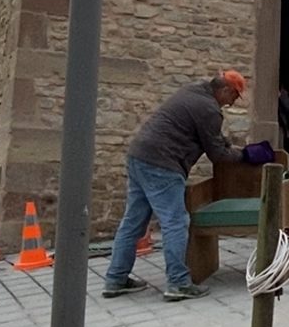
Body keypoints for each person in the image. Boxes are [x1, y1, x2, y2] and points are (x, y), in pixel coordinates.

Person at [104, 70, 247, 302]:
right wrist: (245, 156)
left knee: (133, 221)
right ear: (225, 90)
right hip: (163, 164)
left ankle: (115, 279)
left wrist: (227, 145)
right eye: (234, 97)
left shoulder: (191, 91)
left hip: (139, 155)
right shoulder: (210, 109)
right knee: (176, 221)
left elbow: (211, 137)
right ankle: (178, 283)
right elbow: (217, 154)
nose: (231, 103)